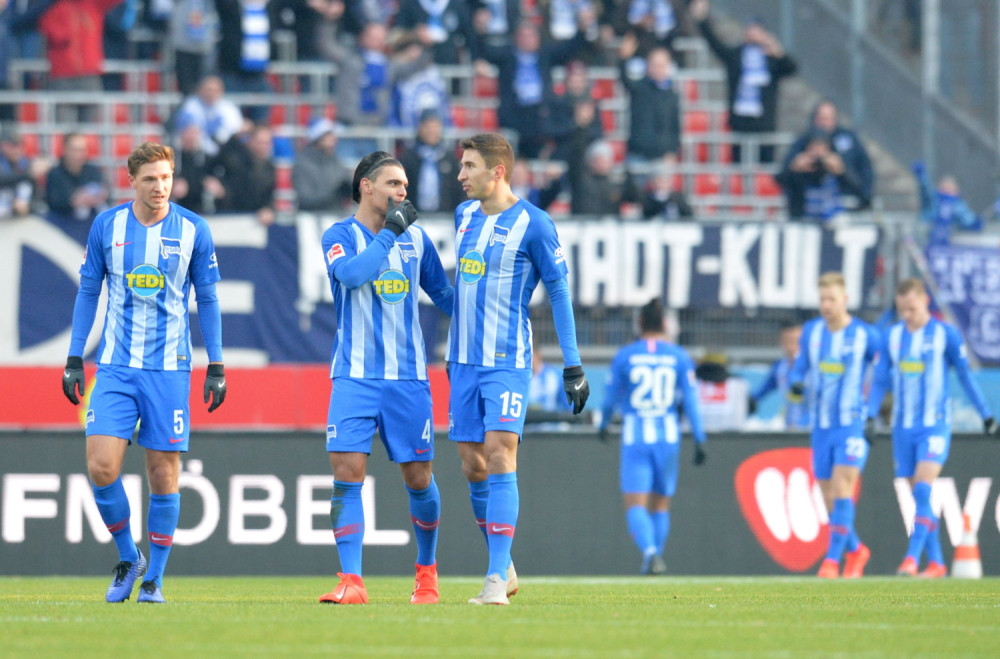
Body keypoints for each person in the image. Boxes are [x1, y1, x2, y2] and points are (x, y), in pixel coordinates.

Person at [60, 142, 227, 604]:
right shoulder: (107, 226)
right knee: (100, 465)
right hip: (115, 367)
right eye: (150, 178)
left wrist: (216, 363)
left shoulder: (194, 229)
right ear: (131, 180)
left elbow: (208, 298)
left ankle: (155, 576)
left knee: (162, 473)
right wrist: (75, 357)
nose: (160, 187)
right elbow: (89, 290)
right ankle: (128, 555)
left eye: (167, 178)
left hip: (169, 370)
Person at [448, 133, 589, 605]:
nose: (461, 175)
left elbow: (560, 292)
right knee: (471, 465)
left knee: (499, 454)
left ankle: (492, 582)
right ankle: (502, 564)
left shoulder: (535, 224)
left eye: (469, 166)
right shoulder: (463, 216)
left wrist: (573, 365)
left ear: (497, 172)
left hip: (506, 360)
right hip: (462, 360)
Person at [317, 150, 453, 605]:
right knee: (347, 471)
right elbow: (352, 276)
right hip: (354, 377)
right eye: (394, 184)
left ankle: (427, 572)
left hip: (407, 379)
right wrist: (392, 231)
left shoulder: (417, 240)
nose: (402, 193)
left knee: (418, 477)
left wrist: (490, 301)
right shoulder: (338, 236)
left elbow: (446, 297)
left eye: (406, 187)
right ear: (366, 187)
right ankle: (351, 580)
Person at [866, 278, 998, 578]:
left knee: (924, 488)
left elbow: (965, 376)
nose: (907, 315)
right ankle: (937, 563)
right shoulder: (892, 337)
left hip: (934, 426)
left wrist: (986, 415)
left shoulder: (945, 335)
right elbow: (881, 381)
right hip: (903, 427)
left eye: (911, 308)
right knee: (919, 497)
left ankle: (910, 560)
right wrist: (870, 415)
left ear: (925, 300)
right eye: (902, 310)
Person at [598, 297, 706, 575]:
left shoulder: (626, 355)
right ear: (665, 324)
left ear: (639, 323)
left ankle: (650, 553)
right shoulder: (678, 356)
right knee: (661, 504)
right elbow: (691, 401)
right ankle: (655, 559)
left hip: (636, 436)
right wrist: (699, 437)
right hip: (668, 437)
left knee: (636, 504)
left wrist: (604, 424)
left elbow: (610, 397)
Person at [788, 271, 881, 579]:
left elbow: (882, 374)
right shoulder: (812, 333)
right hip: (822, 426)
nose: (826, 305)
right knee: (828, 495)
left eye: (832, 299)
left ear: (846, 300)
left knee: (842, 487)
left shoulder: (867, 335)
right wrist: (796, 383)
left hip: (852, 423)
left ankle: (831, 561)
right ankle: (856, 550)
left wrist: (873, 412)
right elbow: (799, 366)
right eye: (822, 299)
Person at [689, 0, 797, 164]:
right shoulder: (736, 56)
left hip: (764, 123)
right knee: (739, 166)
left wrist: (778, 52)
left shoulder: (771, 60)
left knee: (765, 169)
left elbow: (791, 68)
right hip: (740, 122)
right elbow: (715, 44)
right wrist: (702, 20)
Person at [782, 100, 874, 211]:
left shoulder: (848, 139)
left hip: (843, 208)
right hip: (806, 207)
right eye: (821, 119)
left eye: (828, 119)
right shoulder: (802, 141)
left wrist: (842, 171)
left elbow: (864, 180)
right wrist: (795, 168)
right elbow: (783, 178)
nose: (824, 124)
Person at [776, 131, 867, 225]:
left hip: (833, 219)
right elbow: (779, 183)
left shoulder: (835, 170)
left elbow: (859, 190)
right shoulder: (800, 170)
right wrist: (794, 169)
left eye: (822, 148)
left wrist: (842, 171)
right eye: (814, 148)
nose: (818, 153)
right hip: (804, 219)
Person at [397, 109, 464, 214]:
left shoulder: (450, 158)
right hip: (413, 218)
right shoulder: (407, 157)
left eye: (435, 127)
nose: (431, 131)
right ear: (420, 128)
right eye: (427, 127)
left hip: (444, 218)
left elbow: (458, 190)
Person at [749, 322, 810, 430]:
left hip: (812, 427)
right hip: (790, 426)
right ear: (781, 341)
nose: (791, 346)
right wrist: (749, 402)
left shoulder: (813, 367)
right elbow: (762, 391)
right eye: (787, 341)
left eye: (796, 341)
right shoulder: (780, 368)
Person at [45, 133, 109, 228]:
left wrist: (99, 196)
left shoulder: (93, 171)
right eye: (75, 150)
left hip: (90, 225)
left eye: (82, 150)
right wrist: (73, 201)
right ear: (65, 150)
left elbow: (106, 194)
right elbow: (53, 202)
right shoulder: (55, 174)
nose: (79, 154)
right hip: (62, 225)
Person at [913, 162, 983, 246]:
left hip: (947, 243)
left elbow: (966, 218)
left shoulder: (957, 205)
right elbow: (925, 191)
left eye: (950, 188)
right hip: (927, 239)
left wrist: (974, 222)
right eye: (945, 188)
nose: (948, 191)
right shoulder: (934, 200)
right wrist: (922, 176)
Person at [293, 118, 351, 213]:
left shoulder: (336, 161)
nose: (334, 138)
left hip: (335, 213)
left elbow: (344, 187)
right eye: (329, 135)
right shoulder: (302, 164)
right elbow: (305, 198)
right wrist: (334, 194)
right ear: (318, 139)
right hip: (310, 216)